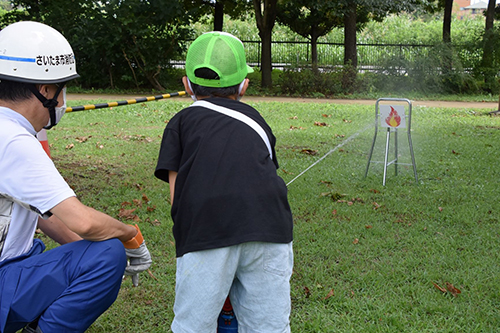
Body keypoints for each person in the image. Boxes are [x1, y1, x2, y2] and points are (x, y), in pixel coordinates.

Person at [0, 21, 152, 333]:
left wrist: (84, 248)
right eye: (61, 89)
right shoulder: (14, 141)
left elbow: (42, 212)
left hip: (11, 262)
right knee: (108, 252)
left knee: (89, 250)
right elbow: (84, 221)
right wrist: (128, 236)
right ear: (44, 91)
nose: (62, 101)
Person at [155, 31, 294, 332]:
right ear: (244, 85)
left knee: (195, 324)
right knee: (268, 325)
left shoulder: (180, 123)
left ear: (186, 84)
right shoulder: (257, 120)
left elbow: (176, 197)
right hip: (270, 228)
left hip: (206, 230)